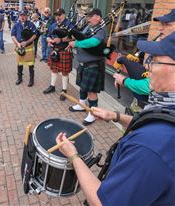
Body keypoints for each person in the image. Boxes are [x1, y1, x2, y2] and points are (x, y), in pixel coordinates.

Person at [55, 32, 175, 206]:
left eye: (154, 61)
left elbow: (103, 202)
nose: (148, 67)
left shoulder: (150, 148)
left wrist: (73, 157)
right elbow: (155, 121)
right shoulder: (166, 109)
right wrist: (115, 116)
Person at [113, 9, 175, 108]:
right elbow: (146, 68)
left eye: (167, 25)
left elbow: (150, 86)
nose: (160, 29)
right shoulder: (162, 43)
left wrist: (124, 81)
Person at [67, 8, 107, 125]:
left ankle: (93, 113)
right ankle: (82, 105)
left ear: (98, 17)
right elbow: (81, 36)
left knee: (91, 91)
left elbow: (93, 42)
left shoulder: (101, 30)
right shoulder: (89, 27)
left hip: (93, 65)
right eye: (87, 16)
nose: (88, 18)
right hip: (84, 64)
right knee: (83, 87)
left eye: (90, 16)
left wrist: (77, 43)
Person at [43, 8, 74, 100]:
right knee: (54, 69)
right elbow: (48, 36)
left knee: (64, 72)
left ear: (64, 15)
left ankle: (64, 90)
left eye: (59, 15)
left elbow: (74, 37)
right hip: (54, 50)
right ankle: (52, 86)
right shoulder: (53, 25)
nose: (57, 17)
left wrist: (61, 39)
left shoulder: (69, 24)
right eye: (56, 15)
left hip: (64, 50)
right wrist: (49, 40)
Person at [11, 11, 37, 87]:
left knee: (31, 65)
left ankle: (31, 80)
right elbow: (12, 35)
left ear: (26, 16)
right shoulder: (16, 25)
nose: (22, 17)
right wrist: (17, 43)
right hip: (20, 47)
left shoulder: (30, 24)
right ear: (19, 16)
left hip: (28, 47)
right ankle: (19, 78)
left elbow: (35, 34)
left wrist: (27, 42)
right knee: (19, 64)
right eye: (21, 15)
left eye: (24, 15)